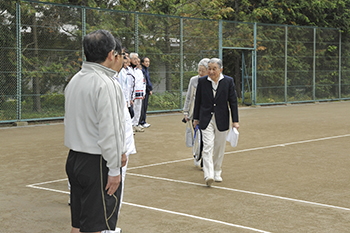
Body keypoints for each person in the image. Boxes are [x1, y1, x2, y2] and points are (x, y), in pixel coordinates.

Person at [65, 29, 127, 233]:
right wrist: (115, 169)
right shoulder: (106, 83)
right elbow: (110, 131)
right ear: (111, 54)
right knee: (95, 227)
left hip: (75, 158)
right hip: (96, 162)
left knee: (78, 224)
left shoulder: (75, 80)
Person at [193, 58, 239, 187]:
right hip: (205, 118)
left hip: (222, 118)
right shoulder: (202, 81)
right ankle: (209, 174)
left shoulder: (228, 81)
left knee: (219, 147)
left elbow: (233, 102)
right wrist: (196, 118)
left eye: (214, 69)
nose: (211, 71)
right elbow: (198, 101)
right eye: (209, 68)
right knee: (208, 146)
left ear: (221, 69)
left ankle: (217, 170)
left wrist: (235, 121)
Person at [183, 58, 210, 167]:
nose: (200, 73)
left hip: (208, 113)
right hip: (196, 113)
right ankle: (198, 154)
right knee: (198, 135)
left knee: (207, 137)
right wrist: (186, 112)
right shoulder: (194, 80)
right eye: (199, 70)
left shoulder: (212, 80)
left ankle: (205, 157)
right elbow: (189, 97)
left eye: (203, 71)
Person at [139, 57, 153, 128]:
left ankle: (143, 121)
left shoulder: (146, 70)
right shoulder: (142, 70)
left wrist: (150, 89)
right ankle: (141, 122)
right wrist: (148, 89)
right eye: (146, 61)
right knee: (142, 107)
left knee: (145, 106)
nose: (148, 63)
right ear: (142, 63)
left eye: (148, 61)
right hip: (144, 91)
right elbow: (145, 82)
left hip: (147, 91)